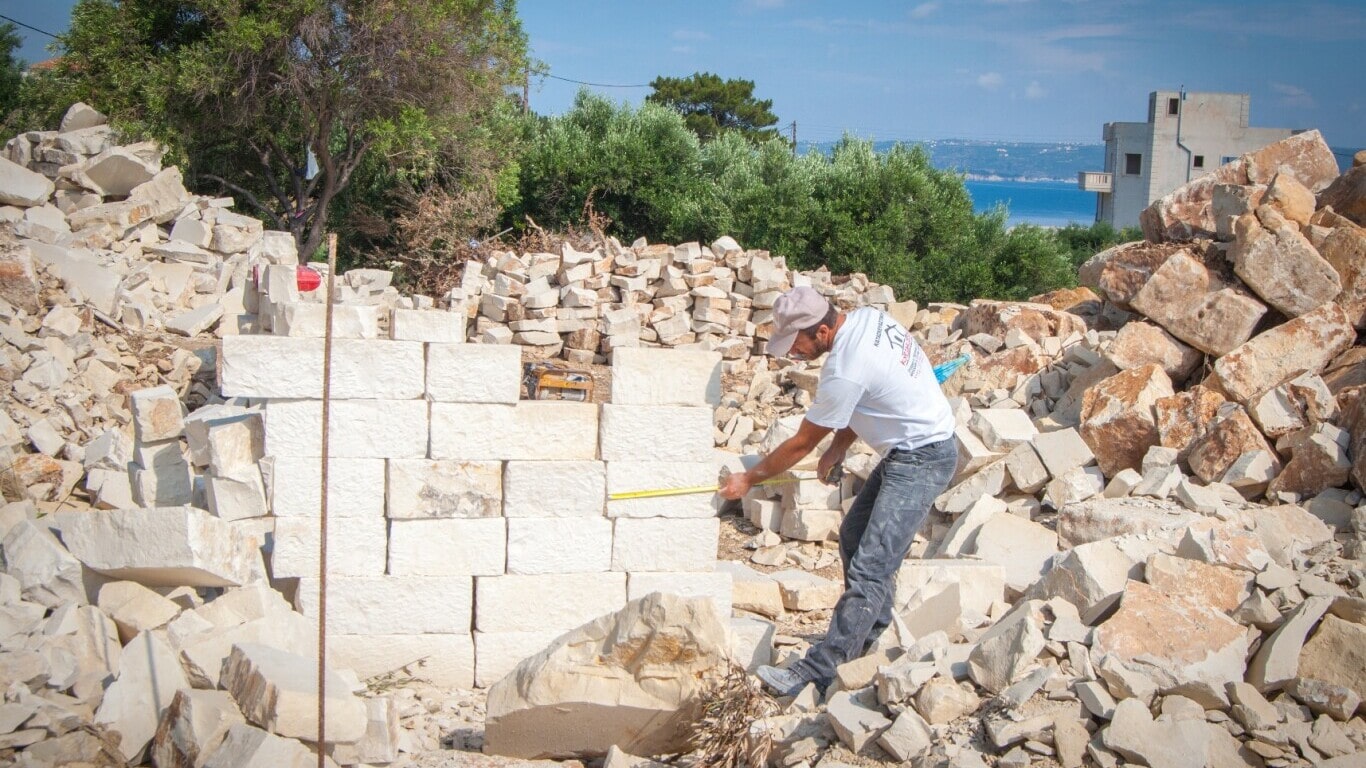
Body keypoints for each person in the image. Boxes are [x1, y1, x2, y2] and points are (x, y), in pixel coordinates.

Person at [719, 286, 958, 697]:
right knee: (853, 536)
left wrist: (749, 479)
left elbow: (800, 444)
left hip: (922, 458)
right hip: (911, 448)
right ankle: (868, 634)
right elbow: (864, 398)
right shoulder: (867, 319)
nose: (793, 354)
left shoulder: (844, 366)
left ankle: (821, 670)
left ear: (823, 330)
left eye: (797, 343)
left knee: (871, 566)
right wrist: (840, 447)